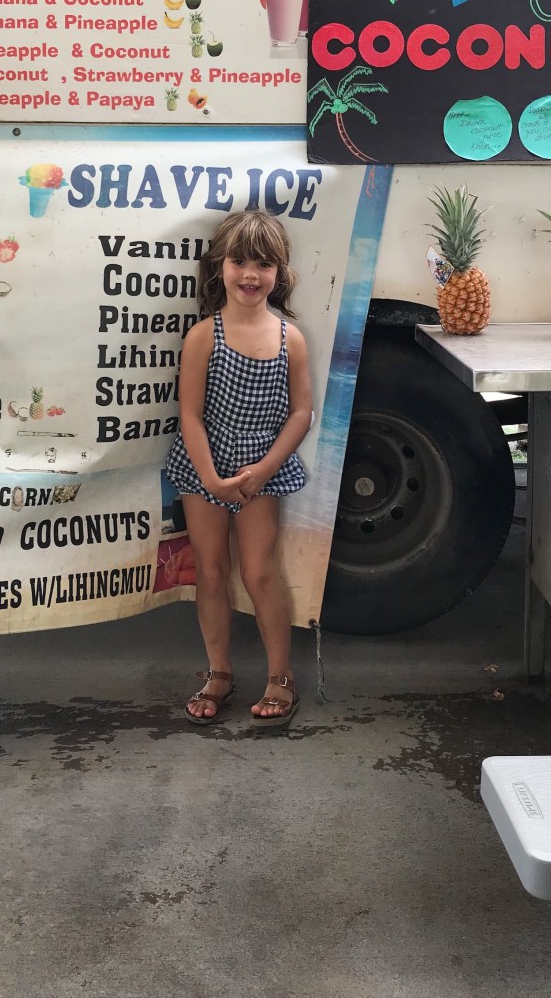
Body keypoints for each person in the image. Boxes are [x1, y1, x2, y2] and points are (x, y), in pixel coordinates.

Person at [165, 209, 313, 728]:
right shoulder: (204, 336)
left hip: (261, 471)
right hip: (203, 467)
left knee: (258, 570)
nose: (251, 275)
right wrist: (209, 477)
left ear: (279, 272)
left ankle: (281, 677)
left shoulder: (290, 338)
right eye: (240, 262)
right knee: (209, 570)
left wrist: (264, 470)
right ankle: (219, 672)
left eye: (264, 264)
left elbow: (301, 413)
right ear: (220, 267)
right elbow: (190, 413)